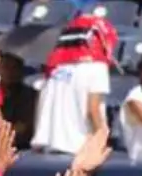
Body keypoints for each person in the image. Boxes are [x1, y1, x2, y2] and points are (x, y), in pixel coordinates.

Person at [31, 13, 116, 155]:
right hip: (78, 150)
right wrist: (103, 143)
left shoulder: (53, 69)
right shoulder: (97, 67)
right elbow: (92, 110)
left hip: (46, 149)